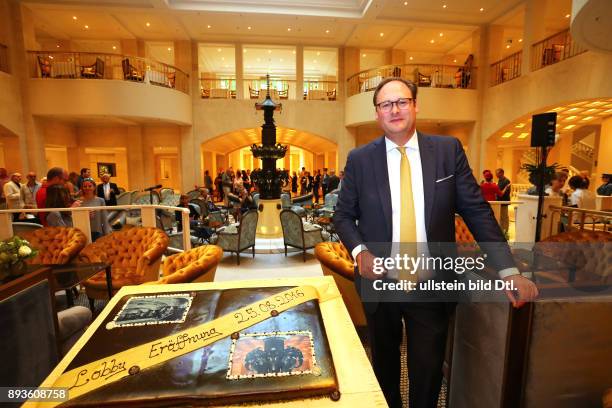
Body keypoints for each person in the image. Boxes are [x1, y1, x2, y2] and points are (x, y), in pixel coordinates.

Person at [334, 77, 538, 408]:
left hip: (430, 283)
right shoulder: (360, 159)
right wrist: (360, 252)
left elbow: (476, 211)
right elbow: (343, 216)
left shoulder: (446, 151)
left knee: (427, 371)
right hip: (378, 283)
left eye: (401, 101)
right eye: (386, 104)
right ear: (377, 114)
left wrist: (508, 269)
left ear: (415, 106)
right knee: (384, 365)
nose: (394, 109)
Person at [495, 168, 511, 233]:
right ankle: (501, 230)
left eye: (497, 173)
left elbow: (507, 192)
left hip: (504, 201)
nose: (496, 174)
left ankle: (506, 231)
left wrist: (499, 194)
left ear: (501, 173)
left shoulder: (507, 181)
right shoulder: (499, 180)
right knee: (501, 217)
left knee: (505, 217)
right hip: (499, 201)